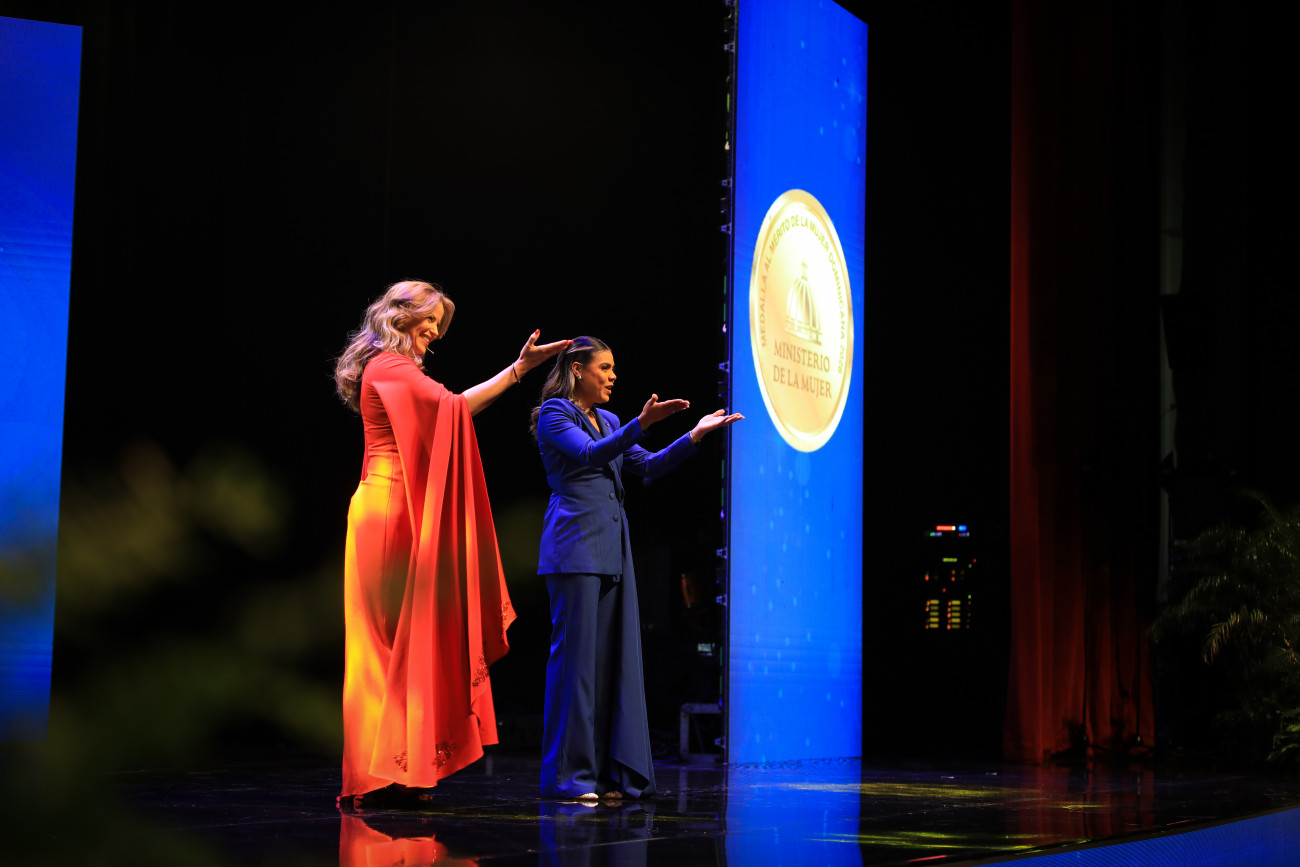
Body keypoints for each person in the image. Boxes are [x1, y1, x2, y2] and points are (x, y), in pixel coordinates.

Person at [333, 280, 568, 806]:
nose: (436, 332)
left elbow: (448, 412)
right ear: (403, 315)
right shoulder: (391, 367)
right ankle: (384, 772)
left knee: (394, 642)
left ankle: (396, 768)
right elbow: (454, 410)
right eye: (430, 320)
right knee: (385, 642)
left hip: (387, 506)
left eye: (439, 324)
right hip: (389, 510)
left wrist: (518, 371)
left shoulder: (391, 368)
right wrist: (518, 370)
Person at [530, 336, 743, 800]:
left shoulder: (607, 420)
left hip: (611, 549)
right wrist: (641, 423)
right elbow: (590, 455)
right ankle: (569, 776)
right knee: (577, 667)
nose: (613, 376)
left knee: (609, 665)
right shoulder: (554, 414)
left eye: (613, 368)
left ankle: (608, 773)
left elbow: (646, 466)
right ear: (578, 369)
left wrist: (694, 435)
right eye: (604, 367)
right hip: (574, 548)